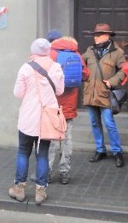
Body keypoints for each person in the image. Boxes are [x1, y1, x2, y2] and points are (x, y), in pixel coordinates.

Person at [8, 38, 64, 205]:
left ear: (33, 51)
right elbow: (60, 91)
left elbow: (18, 93)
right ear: (48, 51)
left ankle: (19, 189)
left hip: (28, 117)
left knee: (24, 151)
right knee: (43, 155)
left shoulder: (26, 68)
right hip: (47, 120)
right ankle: (40, 191)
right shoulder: (56, 67)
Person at [82, 23, 127, 168]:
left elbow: (124, 70)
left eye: (99, 34)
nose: (95, 37)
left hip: (105, 94)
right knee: (95, 123)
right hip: (90, 93)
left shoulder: (117, 52)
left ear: (107, 35)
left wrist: (113, 81)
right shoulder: (89, 51)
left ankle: (117, 151)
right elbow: (80, 65)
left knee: (109, 124)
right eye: (95, 34)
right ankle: (100, 150)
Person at [46, 33, 88, 184]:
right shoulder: (76, 54)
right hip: (69, 105)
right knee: (66, 139)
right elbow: (85, 74)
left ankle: (47, 173)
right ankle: (64, 172)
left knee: (51, 140)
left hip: (53, 104)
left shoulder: (51, 53)